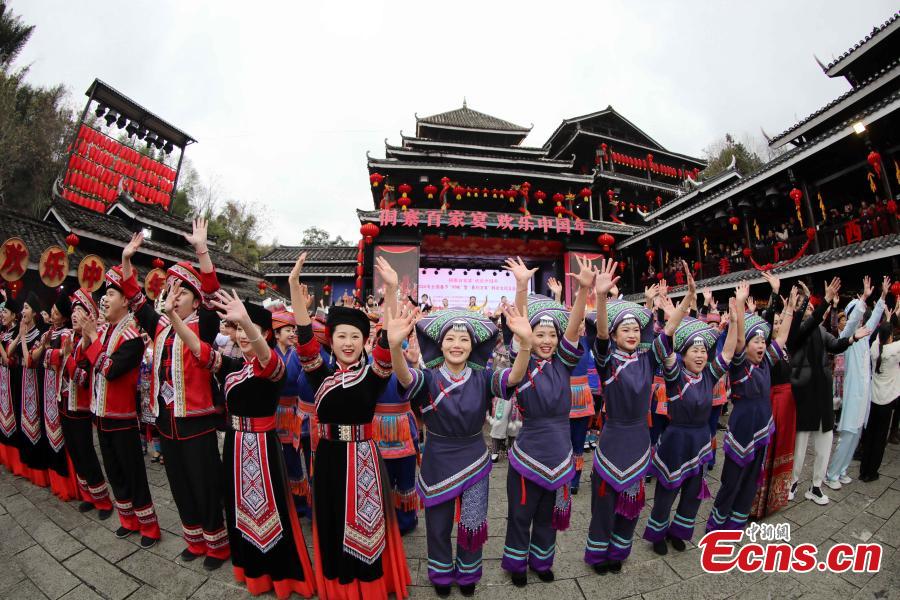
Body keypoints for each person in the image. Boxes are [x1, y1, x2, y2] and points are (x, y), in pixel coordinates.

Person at [168, 286, 315, 598]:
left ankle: (280, 577)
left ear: (266, 333)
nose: (245, 335)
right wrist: (172, 317)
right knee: (238, 510)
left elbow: (264, 356)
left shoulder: (273, 366)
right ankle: (252, 572)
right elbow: (198, 349)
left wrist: (246, 322)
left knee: (271, 512)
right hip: (234, 445)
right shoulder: (234, 367)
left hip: (263, 448)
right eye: (240, 329)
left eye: (253, 329)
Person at [290, 252, 410, 599]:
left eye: (355, 337)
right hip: (328, 459)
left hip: (365, 459)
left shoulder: (373, 375)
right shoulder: (320, 375)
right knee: (332, 521)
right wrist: (295, 289)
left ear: (364, 342)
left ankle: (371, 588)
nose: (347, 343)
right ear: (331, 341)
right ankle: (340, 589)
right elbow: (304, 339)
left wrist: (391, 290)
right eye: (341, 336)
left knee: (368, 524)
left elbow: (388, 340)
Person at [388, 304, 528, 597]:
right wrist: (394, 347)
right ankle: (440, 573)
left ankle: (468, 573)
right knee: (438, 524)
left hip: (474, 458)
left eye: (464, 339)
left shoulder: (483, 376)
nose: (457, 345)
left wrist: (525, 344)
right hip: (437, 459)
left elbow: (514, 378)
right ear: (440, 345)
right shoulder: (428, 378)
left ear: (472, 346)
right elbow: (404, 378)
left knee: (473, 521)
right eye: (450, 339)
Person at [120, 221, 228, 567]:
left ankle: (217, 544)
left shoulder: (204, 325)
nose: (173, 296)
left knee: (204, 482)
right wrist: (126, 260)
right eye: (170, 291)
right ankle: (194, 540)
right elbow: (135, 298)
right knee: (179, 483)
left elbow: (212, 291)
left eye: (181, 292)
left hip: (197, 420)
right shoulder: (160, 325)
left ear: (195, 300)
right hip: (167, 420)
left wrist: (201, 250)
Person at [499, 255, 593, 586]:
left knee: (547, 516)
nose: (547, 340)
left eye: (552, 335)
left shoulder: (563, 363)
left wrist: (583, 291)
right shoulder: (522, 364)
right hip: (528, 454)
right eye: (540, 334)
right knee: (521, 514)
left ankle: (542, 561)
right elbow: (522, 325)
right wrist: (521, 286)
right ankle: (517, 564)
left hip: (559, 452)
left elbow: (573, 328)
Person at [644, 281, 739, 555]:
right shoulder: (674, 375)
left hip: (700, 439)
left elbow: (728, 353)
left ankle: (679, 531)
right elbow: (664, 346)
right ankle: (658, 533)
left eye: (703, 351)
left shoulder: (709, 375)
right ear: (682, 355)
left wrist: (735, 321)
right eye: (693, 351)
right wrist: (684, 302)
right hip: (676, 439)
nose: (699, 355)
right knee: (667, 490)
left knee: (693, 491)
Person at [706, 280, 797, 533]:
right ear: (745, 346)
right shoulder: (739, 365)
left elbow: (782, 336)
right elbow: (737, 341)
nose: (760, 346)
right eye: (755, 342)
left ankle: (736, 522)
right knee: (732, 479)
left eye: (762, 342)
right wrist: (739, 307)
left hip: (762, 427)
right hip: (742, 428)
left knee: (751, 479)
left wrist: (789, 309)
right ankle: (716, 525)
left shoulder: (766, 361)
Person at [584, 262, 657, 575]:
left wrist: (659, 306)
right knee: (604, 499)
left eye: (636, 330)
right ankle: (598, 552)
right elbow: (600, 335)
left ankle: (619, 551)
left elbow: (661, 333)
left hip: (639, 438)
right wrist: (601, 298)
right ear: (614, 335)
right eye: (625, 329)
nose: (632, 334)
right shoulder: (608, 361)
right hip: (613, 436)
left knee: (632, 499)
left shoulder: (647, 359)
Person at [82, 266, 160, 548]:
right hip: (101, 415)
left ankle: (149, 526)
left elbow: (110, 369)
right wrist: (88, 337)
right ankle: (128, 520)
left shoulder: (132, 338)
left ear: (126, 300)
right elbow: (87, 365)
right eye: (104, 294)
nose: (104, 299)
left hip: (122, 418)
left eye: (111, 294)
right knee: (114, 472)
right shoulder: (104, 332)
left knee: (133, 472)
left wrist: (92, 339)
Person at [751, 275, 808, 519]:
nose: (777, 325)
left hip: (788, 405)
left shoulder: (785, 347)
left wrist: (799, 304)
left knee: (783, 448)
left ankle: (775, 498)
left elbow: (796, 324)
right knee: (767, 451)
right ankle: (757, 501)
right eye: (773, 322)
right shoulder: (767, 351)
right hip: (772, 403)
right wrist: (774, 294)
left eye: (779, 322)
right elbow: (769, 323)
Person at [824, 276, 889, 490]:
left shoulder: (863, 336)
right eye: (858, 315)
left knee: (856, 435)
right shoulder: (847, 337)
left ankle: (842, 471)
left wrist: (882, 296)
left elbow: (873, 319)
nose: (861, 319)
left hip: (863, 396)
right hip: (852, 395)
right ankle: (831, 474)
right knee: (846, 437)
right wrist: (862, 300)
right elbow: (852, 322)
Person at [62, 289, 113, 516]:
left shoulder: (91, 343)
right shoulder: (71, 340)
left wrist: (66, 359)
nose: (74, 315)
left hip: (81, 408)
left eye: (80, 311)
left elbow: (82, 379)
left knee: (86, 453)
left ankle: (103, 501)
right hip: (65, 405)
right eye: (73, 311)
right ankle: (88, 496)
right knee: (75, 452)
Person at [372, 330, 421, 536]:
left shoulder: (407, 362)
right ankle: (383, 518)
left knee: (406, 475)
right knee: (382, 476)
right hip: (378, 427)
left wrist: (415, 364)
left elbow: (418, 391)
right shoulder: (370, 366)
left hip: (404, 426)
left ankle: (405, 519)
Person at [40, 292, 80, 501]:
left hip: (59, 389)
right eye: (52, 310)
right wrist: (49, 351)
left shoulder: (65, 334)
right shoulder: (50, 332)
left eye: (56, 312)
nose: (52, 313)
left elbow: (62, 356)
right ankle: (56, 481)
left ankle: (69, 486)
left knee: (61, 436)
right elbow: (43, 357)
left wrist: (49, 351)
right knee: (51, 433)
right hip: (49, 387)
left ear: (64, 317)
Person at [271, 310, 310, 516]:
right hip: (275, 410)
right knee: (278, 456)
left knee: (294, 456)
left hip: (295, 410)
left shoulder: (296, 353)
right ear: (276, 334)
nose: (292, 333)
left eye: (294, 329)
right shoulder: (270, 353)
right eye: (288, 330)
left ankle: (299, 501)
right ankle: (281, 498)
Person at [859, 314, 900, 481]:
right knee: (880, 438)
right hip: (887, 400)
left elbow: (879, 336)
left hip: (873, 399)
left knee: (870, 435)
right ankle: (872, 472)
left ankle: (863, 470)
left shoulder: (875, 347)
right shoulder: (895, 350)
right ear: (890, 336)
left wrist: (888, 319)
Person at [16, 292, 50, 487]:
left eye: (27, 308)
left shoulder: (39, 334)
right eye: (23, 308)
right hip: (23, 383)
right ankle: (27, 468)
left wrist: (22, 338)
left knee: (35, 425)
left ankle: (39, 473)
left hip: (35, 384)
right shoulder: (25, 332)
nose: (23, 311)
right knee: (25, 424)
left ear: (35, 312)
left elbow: (29, 361)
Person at [0, 294, 24, 475]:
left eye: (5, 312)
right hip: (2, 380)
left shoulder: (17, 333)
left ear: (14, 315)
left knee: (12, 417)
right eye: (1, 312)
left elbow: (9, 358)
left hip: (13, 381)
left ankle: (16, 462)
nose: (2, 315)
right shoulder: (3, 331)